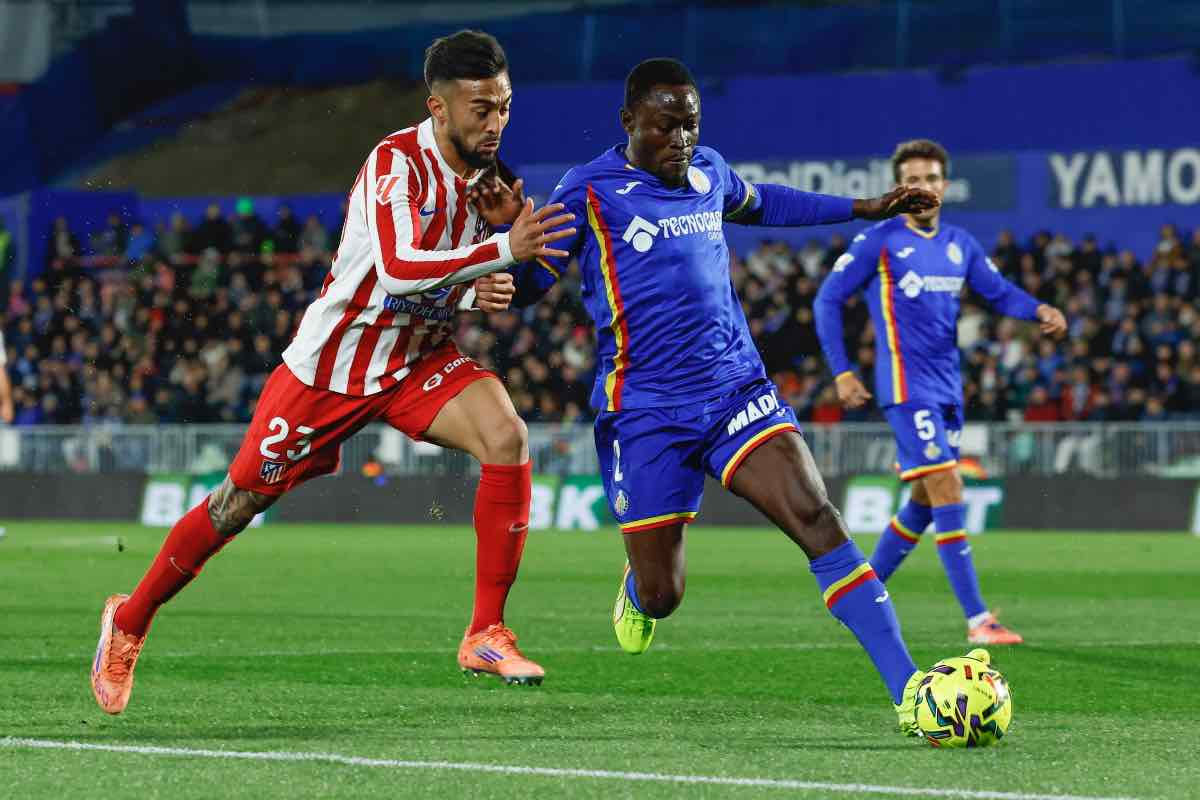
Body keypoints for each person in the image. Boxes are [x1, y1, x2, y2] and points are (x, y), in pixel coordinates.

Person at [90, 30, 577, 715]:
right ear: (438, 108)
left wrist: (491, 280)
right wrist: (501, 249)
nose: (494, 123)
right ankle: (131, 619)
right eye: (480, 109)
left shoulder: (488, 183)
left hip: (415, 361)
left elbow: (462, 278)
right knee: (238, 503)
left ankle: (485, 632)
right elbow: (401, 271)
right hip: (332, 368)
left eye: (502, 106)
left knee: (507, 435)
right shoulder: (395, 165)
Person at [489, 58, 954, 735]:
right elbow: (533, 287)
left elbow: (764, 202)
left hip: (736, 390)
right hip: (645, 413)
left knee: (816, 516)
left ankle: (909, 691)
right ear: (629, 123)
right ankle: (639, 591)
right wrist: (508, 254)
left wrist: (866, 207)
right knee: (663, 594)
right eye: (665, 126)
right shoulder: (588, 189)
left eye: (690, 125)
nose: (680, 140)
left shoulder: (708, 170)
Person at [813, 139, 1067, 645]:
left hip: (949, 387)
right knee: (949, 485)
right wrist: (842, 371)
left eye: (932, 179)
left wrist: (1038, 309)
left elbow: (998, 292)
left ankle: (856, 593)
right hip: (906, 388)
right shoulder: (879, 240)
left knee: (925, 501)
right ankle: (979, 621)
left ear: (945, 187)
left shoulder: (959, 245)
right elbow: (827, 300)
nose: (924, 189)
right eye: (914, 180)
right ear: (899, 188)